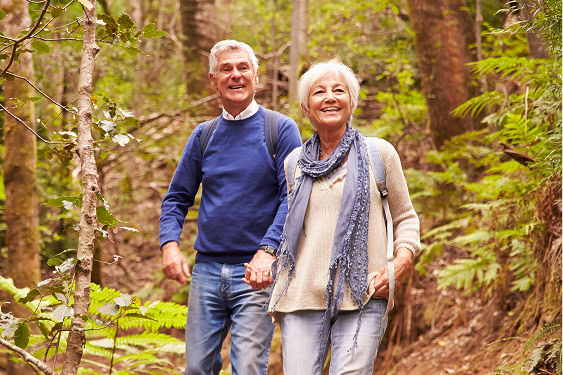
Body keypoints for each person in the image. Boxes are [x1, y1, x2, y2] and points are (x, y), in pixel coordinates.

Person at [268, 60, 421, 374]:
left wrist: (401, 260)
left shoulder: (379, 154)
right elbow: (292, 229)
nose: (329, 97)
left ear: (352, 101)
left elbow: (405, 216)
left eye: (338, 90)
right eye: (319, 92)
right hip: (301, 295)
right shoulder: (294, 162)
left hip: (364, 292)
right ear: (305, 106)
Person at [159, 40, 302, 375]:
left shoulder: (280, 130)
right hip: (206, 271)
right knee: (196, 369)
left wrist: (268, 251)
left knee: (249, 368)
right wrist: (169, 246)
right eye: (226, 69)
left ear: (256, 76)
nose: (235, 75)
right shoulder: (203, 135)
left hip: (256, 274)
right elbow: (177, 197)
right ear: (213, 80)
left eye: (243, 68)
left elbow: (293, 198)